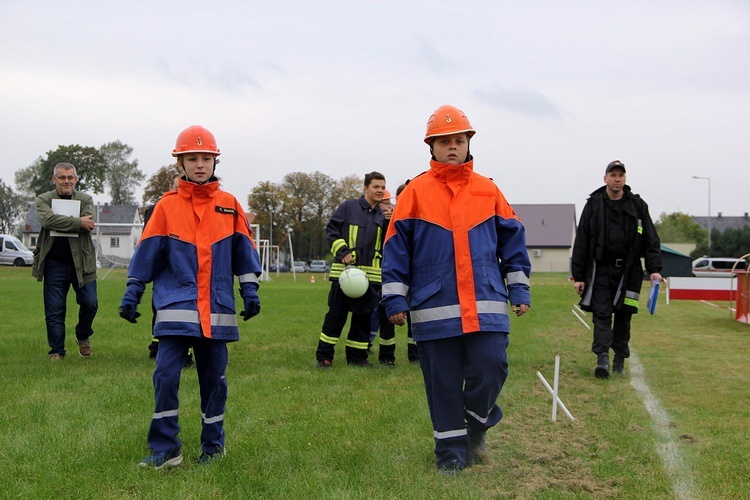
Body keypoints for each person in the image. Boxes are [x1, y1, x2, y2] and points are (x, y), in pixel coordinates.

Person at [381, 105, 531, 475]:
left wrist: (519, 289)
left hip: (486, 303)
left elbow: (513, 242)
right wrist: (395, 298)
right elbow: (396, 249)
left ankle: (476, 423)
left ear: (469, 143)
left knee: (492, 366)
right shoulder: (414, 192)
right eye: (444, 141)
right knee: (443, 384)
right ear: (430, 146)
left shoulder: (488, 190)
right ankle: (450, 456)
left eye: (458, 140)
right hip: (435, 306)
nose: (452, 147)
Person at [119, 125, 262, 469]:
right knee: (166, 376)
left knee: (215, 383)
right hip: (175, 311)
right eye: (192, 158)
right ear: (180, 164)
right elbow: (147, 253)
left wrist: (250, 289)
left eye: (206, 158)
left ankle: (213, 448)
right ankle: (166, 449)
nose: (200, 164)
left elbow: (244, 252)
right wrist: (133, 290)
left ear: (215, 161)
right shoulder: (166, 207)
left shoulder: (229, 206)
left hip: (217, 311)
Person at [571, 160, 663, 378]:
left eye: (620, 175)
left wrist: (655, 270)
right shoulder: (593, 205)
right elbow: (582, 242)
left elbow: (651, 240)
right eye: (613, 175)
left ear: (625, 179)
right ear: (605, 179)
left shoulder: (638, 206)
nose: (617, 179)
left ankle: (619, 360)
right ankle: (602, 358)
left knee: (624, 316)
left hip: (629, 272)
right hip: (601, 271)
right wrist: (579, 276)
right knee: (601, 315)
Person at [315, 171, 389, 368]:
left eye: (382, 187)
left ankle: (357, 358)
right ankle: (324, 357)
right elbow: (331, 230)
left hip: (370, 278)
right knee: (335, 317)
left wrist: (391, 221)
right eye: (376, 186)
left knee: (363, 319)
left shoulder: (384, 215)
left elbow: (388, 243)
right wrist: (342, 251)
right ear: (365, 188)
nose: (380, 190)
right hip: (345, 275)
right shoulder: (349, 207)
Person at [32, 163, 98, 361]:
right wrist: (78, 222)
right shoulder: (43, 199)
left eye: (70, 177)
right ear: (54, 180)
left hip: (83, 263)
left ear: (76, 179)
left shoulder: (85, 199)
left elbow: (90, 224)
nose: (66, 181)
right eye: (62, 177)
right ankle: (57, 351)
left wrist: (68, 222)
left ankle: (83, 335)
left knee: (90, 303)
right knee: (54, 310)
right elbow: (48, 221)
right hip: (54, 264)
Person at [144, 173, 194, 368]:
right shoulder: (157, 209)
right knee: (161, 308)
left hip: (189, 270)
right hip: (164, 269)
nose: (178, 192)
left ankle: (183, 352)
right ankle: (159, 347)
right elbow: (149, 241)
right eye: (176, 187)